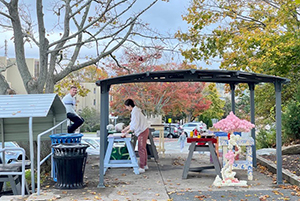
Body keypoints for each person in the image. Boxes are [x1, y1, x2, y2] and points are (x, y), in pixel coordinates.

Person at [121, 99, 149, 174]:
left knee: (141, 149)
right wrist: (125, 130)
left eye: (126, 107)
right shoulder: (136, 111)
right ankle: (145, 165)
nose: (126, 108)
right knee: (143, 148)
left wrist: (126, 132)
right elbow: (132, 124)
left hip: (142, 131)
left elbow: (134, 125)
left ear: (130, 106)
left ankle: (142, 167)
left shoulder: (135, 112)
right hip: (143, 130)